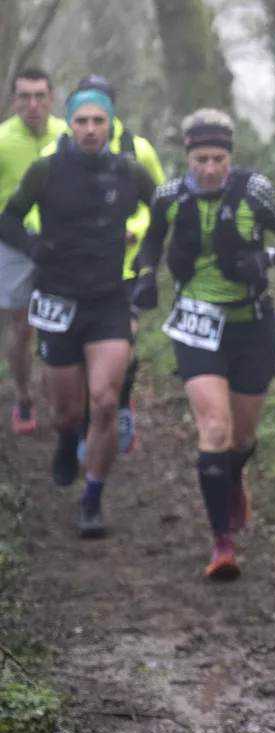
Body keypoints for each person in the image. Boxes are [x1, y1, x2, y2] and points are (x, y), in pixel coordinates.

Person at [133, 108, 275, 581]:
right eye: (202, 160)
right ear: (188, 157)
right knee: (214, 428)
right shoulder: (169, 196)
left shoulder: (256, 190)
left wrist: (264, 257)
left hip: (252, 324)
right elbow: (151, 242)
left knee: (242, 438)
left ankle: (232, 476)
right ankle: (221, 543)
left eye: (219, 159)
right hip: (196, 324)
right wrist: (145, 276)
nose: (211, 169)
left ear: (230, 157)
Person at [0, 88, 156, 538]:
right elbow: (7, 218)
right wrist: (33, 246)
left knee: (105, 401)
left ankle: (92, 498)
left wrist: (148, 263)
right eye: (82, 121)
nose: (90, 129)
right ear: (69, 124)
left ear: (110, 124)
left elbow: (166, 215)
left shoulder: (129, 171)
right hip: (58, 300)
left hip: (108, 299)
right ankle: (68, 438)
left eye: (98, 121)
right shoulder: (46, 170)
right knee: (68, 412)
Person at [33, 75, 167, 458]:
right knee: (72, 359)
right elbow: (39, 212)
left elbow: (159, 204)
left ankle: (118, 406)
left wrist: (133, 229)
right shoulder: (53, 154)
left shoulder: (139, 150)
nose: (90, 124)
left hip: (124, 267)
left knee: (125, 344)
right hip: (69, 273)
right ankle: (77, 422)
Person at [0, 67, 69, 435]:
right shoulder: (2, 140)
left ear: (51, 99)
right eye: (24, 96)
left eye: (39, 96)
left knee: (63, 321)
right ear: (13, 100)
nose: (32, 104)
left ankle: (58, 387)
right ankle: (24, 395)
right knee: (22, 326)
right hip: (13, 241)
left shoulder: (68, 135)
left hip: (62, 241)